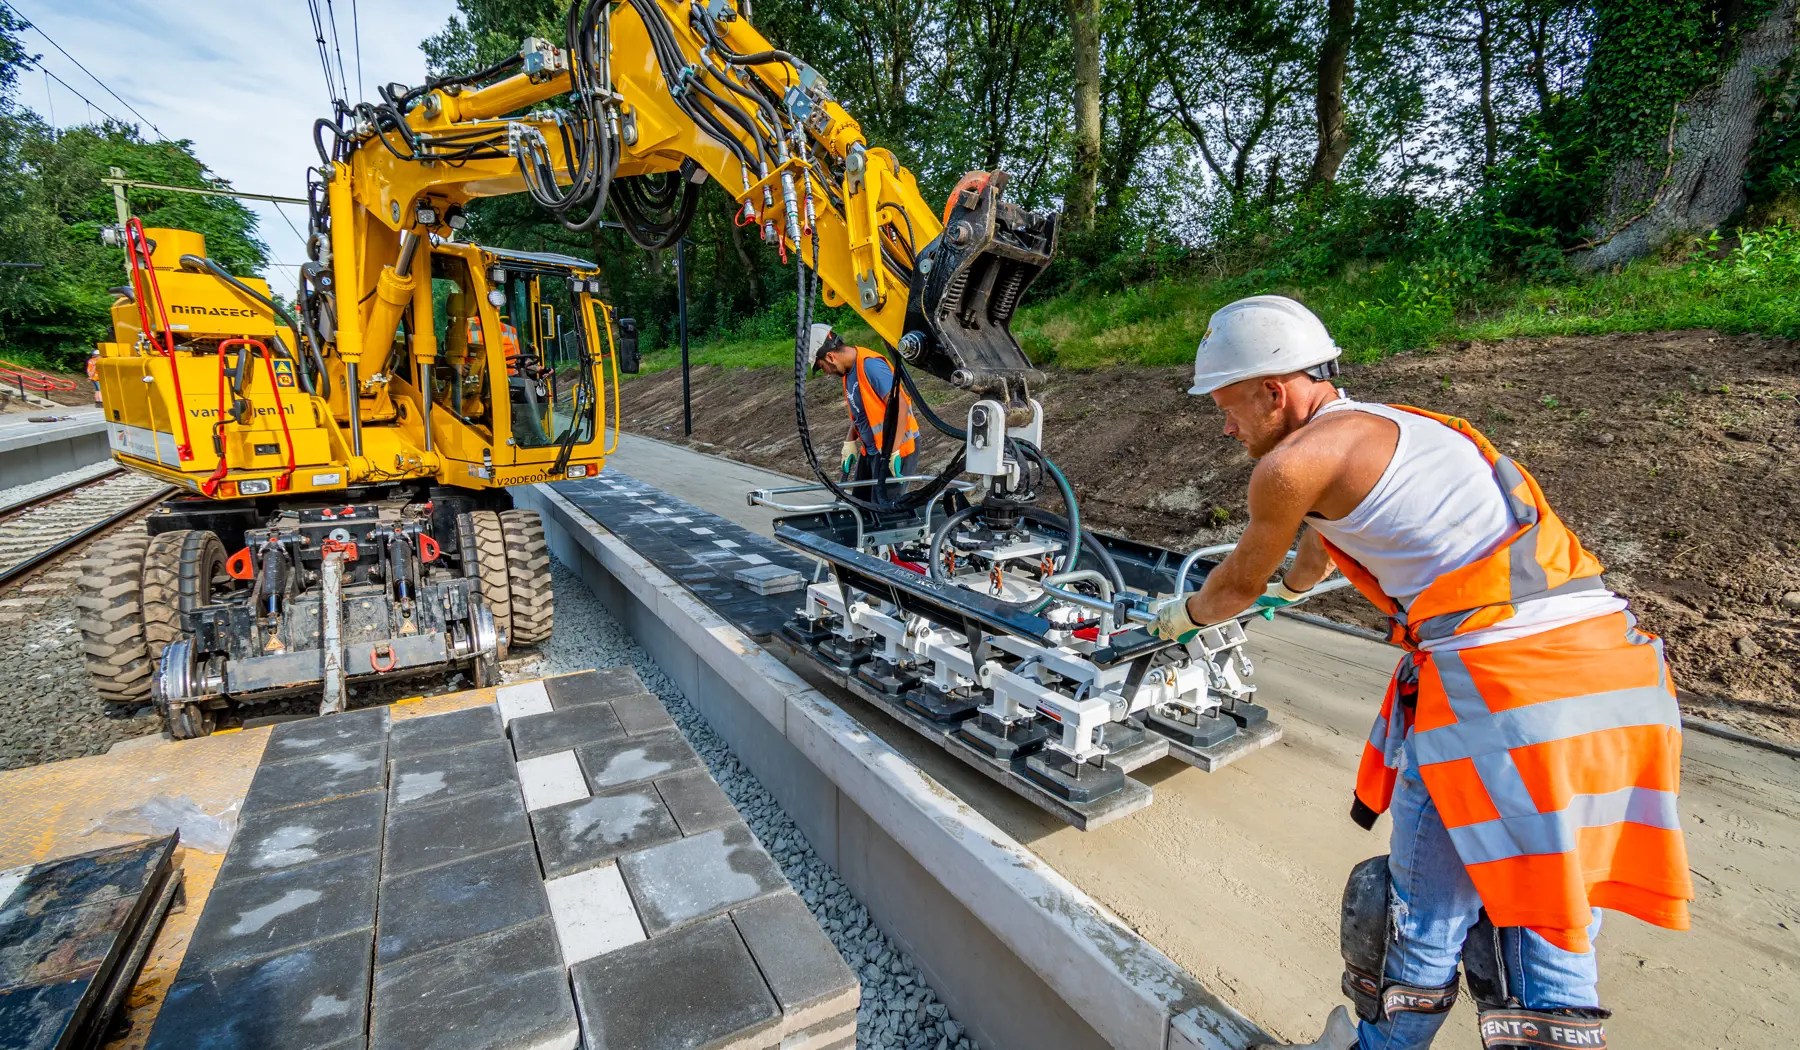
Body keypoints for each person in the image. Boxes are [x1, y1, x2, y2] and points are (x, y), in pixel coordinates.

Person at [1151, 295, 1691, 1050]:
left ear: (1274, 390)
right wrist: (1294, 590)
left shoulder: (1288, 465)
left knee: (1427, 915)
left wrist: (1180, 620)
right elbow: (1320, 542)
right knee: (1552, 906)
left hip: (1509, 700)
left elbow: (1233, 585)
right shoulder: (1399, 427)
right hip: (1613, 673)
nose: (1225, 425)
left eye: (1228, 404)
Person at [809, 322, 919, 484]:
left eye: (821, 367)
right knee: (860, 504)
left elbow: (900, 406)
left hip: (896, 450)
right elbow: (863, 412)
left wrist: (893, 451)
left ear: (830, 357)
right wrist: (850, 441)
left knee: (886, 507)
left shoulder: (870, 366)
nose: (825, 373)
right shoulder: (848, 371)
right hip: (872, 451)